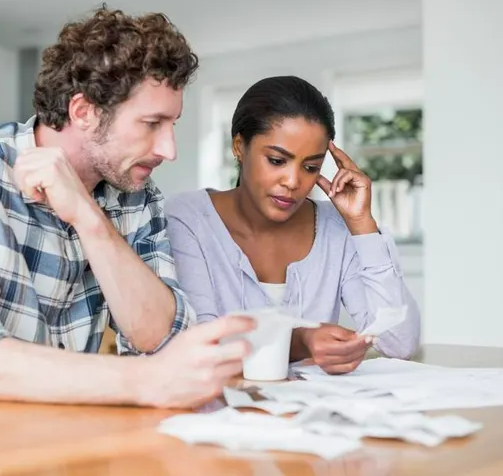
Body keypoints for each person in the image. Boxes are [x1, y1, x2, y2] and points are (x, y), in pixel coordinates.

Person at [0, 6, 254, 410]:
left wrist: (88, 217)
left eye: (171, 125)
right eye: (151, 123)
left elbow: (161, 339)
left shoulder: (137, 196)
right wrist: (144, 381)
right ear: (83, 112)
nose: (168, 150)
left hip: (45, 441)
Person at [166, 75, 420, 375]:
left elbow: (400, 343)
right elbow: (198, 345)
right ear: (239, 146)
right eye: (276, 160)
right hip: (217, 415)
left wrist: (361, 224)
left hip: (312, 416)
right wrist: (299, 341)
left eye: (311, 167)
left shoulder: (335, 228)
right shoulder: (188, 219)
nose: (293, 182)